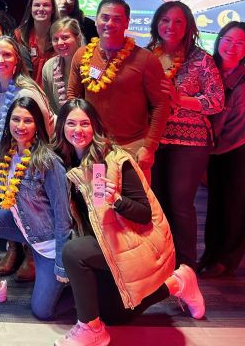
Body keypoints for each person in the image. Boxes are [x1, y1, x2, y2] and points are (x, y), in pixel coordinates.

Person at [53, 98, 205, 346]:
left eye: (84, 123)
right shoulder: (65, 159)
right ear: (61, 127)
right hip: (102, 241)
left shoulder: (111, 160)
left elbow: (143, 214)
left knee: (73, 252)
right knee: (114, 315)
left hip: (130, 240)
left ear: (95, 127)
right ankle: (178, 282)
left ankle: (90, 329)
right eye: (71, 124)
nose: (77, 130)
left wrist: (117, 199)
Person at [0, 97, 71, 320]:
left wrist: (61, 263)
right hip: (22, 226)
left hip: (46, 240)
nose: (20, 126)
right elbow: (4, 194)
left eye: (28, 121)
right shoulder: (9, 153)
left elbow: (63, 216)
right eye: (16, 119)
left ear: (37, 125)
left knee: (43, 312)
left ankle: (76, 290)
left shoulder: (48, 161)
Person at [0, 34, 54, 281]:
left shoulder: (27, 91)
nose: (0, 59)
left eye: (7, 54)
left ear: (17, 60)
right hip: (6, 152)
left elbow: (45, 133)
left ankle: (31, 254)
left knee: (27, 203)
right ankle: (14, 250)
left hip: (33, 157)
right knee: (7, 199)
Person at [147, 1, 224, 269]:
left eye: (178, 21)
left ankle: (186, 266)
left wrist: (182, 100)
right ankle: (160, 262)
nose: (171, 26)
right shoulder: (146, 55)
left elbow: (217, 101)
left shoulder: (201, 59)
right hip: (153, 140)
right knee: (154, 204)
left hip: (190, 143)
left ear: (188, 26)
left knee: (180, 204)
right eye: (165, 20)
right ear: (157, 23)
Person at [68, 0, 170, 180]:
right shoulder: (82, 55)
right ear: (96, 19)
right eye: (105, 17)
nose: (110, 23)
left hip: (133, 146)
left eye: (117, 19)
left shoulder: (146, 59)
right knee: (98, 203)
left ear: (126, 23)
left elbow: (161, 105)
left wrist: (149, 147)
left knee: (133, 206)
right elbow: (72, 97)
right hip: (94, 147)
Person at [200, 22, 245, 278]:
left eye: (240, 43)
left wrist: (205, 153)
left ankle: (226, 260)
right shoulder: (213, 72)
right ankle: (210, 254)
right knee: (217, 204)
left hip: (242, 153)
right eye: (228, 39)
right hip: (219, 150)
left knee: (236, 206)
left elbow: (237, 136)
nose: (231, 46)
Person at [14, 0, 58, 87]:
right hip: (28, 92)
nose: (41, 9)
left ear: (53, 9)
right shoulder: (19, 35)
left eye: (46, 5)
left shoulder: (60, 36)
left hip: (55, 93)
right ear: (30, 9)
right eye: (37, 5)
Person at [42, 18, 84, 114]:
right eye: (55, 39)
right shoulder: (49, 67)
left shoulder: (90, 64)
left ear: (78, 38)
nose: (60, 42)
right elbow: (51, 105)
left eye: (65, 37)